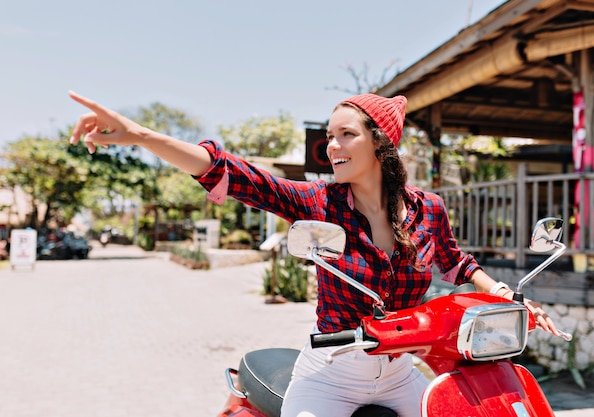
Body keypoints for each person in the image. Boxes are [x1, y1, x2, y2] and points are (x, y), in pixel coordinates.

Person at [69, 91, 560, 416]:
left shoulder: (427, 209)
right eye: (329, 136)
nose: (332, 146)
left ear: (380, 143)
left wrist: (501, 295)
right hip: (332, 375)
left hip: (400, 374)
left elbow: (456, 263)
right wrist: (139, 135)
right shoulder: (317, 203)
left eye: (346, 134)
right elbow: (235, 175)